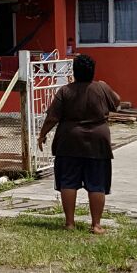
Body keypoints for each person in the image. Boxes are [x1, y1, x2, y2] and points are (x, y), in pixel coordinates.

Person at [37, 53, 120, 235]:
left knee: (68, 182)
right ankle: (96, 225)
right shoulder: (101, 88)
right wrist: (105, 86)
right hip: (98, 143)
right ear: (93, 71)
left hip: (69, 141)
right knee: (97, 183)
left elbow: (52, 117)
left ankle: (69, 223)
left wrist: (42, 135)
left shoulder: (65, 91)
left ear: (74, 72)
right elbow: (117, 102)